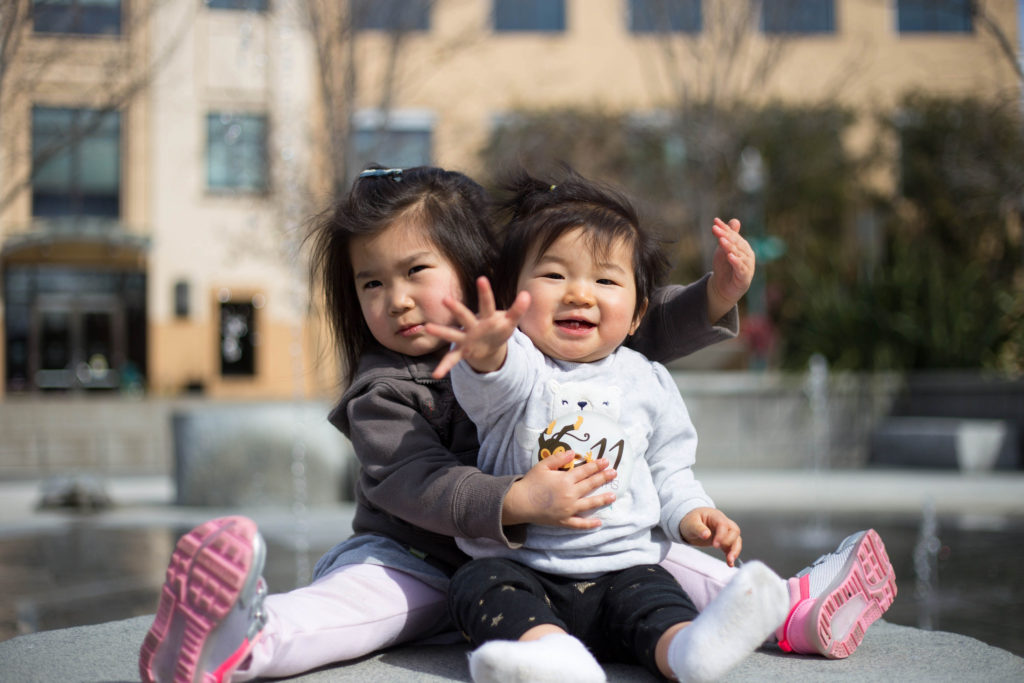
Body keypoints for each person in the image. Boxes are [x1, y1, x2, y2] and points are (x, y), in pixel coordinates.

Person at [138, 166, 895, 683]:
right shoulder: (384, 387)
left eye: (415, 273)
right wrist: (512, 503)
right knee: (363, 606)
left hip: (554, 552)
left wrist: (716, 295)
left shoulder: (530, 333)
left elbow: (630, 331)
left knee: (671, 560)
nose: (396, 300)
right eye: (372, 283)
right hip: (416, 553)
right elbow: (412, 480)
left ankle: (796, 610)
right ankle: (244, 639)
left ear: (482, 276)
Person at [427, 167, 896, 681]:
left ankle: (687, 651)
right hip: (524, 568)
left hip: (623, 568)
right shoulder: (522, 367)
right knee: (477, 584)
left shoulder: (647, 379)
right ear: (513, 295)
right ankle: (551, 658)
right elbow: (489, 383)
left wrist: (694, 512)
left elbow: (669, 468)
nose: (579, 294)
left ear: (636, 315)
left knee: (657, 600)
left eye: (605, 280)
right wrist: (486, 350)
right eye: (554, 276)